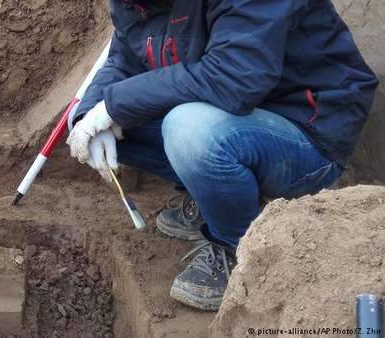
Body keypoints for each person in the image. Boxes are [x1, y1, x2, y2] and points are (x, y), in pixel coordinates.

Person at [67, 0, 378, 311]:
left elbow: (234, 80)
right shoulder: (134, 3)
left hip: (306, 132)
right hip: (234, 118)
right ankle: (215, 197)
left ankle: (239, 245)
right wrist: (90, 114)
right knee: (102, 124)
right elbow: (123, 61)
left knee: (187, 130)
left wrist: (114, 105)